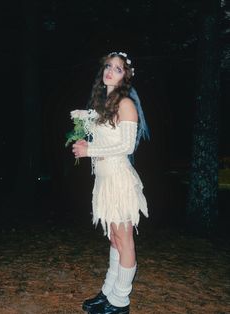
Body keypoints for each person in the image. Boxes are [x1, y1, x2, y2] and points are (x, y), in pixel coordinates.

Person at [72, 52, 149, 314]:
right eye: (108, 66)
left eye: (117, 69)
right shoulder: (104, 104)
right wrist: (86, 143)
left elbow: (126, 145)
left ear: (125, 76)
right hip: (105, 180)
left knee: (124, 240)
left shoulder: (125, 103)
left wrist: (89, 152)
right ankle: (108, 293)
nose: (110, 71)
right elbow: (106, 143)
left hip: (119, 180)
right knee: (114, 239)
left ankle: (120, 301)